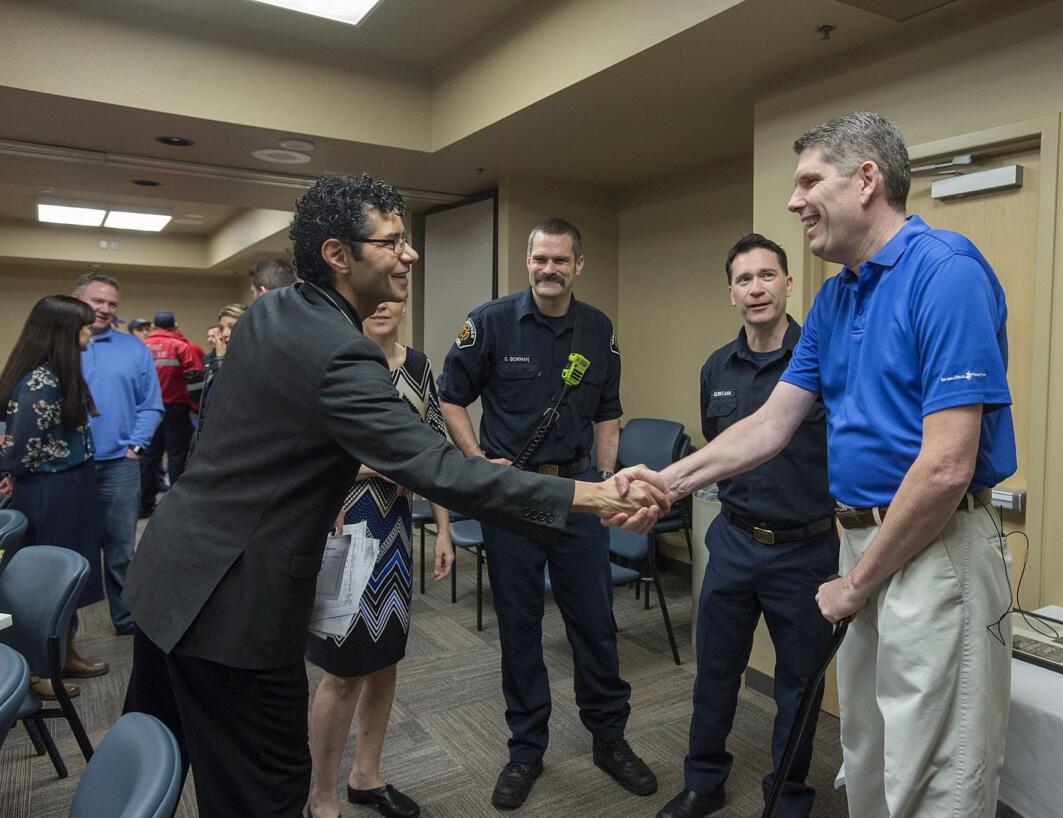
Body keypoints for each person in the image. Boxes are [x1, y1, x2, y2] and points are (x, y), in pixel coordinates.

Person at [121, 174, 664, 818]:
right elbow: (442, 469)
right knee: (260, 790)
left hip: (168, 577)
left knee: (145, 766)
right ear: (337, 255)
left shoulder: (271, 312)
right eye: (394, 241)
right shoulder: (341, 354)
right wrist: (592, 497)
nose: (410, 254)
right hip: (233, 604)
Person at [618, 112, 1016, 818]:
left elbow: (948, 465)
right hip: (863, 543)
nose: (795, 201)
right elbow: (771, 423)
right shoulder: (837, 297)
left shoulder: (945, 273)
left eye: (808, 181)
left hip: (935, 546)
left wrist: (856, 582)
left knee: (936, 772)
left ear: (867, 180)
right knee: (867, 752)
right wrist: (667, 481)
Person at [438, 217, 657, 812]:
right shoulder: (489, 323)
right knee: (520, 627)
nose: (549, 270)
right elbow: (450, 396)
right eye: (540, 260)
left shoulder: (598, 329)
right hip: (513, 501)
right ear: (527, 261)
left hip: (579, 498)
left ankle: (609, 741)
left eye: (561, 260)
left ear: (578, 265)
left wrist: (609, 475)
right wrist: (478, 460)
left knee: (594, 624)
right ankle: (525, 750)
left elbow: (608, 408)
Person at [655, 234, 839, 818]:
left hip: (805, 551)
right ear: (730, 292)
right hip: (733, 543)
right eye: (743, 279)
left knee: (798, 686)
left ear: (789, 284)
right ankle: (702, 783)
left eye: (767, 276)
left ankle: (787, 797)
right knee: (715, 673)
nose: (756, 288)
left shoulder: (824, 359)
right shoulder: (717, 368)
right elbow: (721, 447)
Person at [305, 299, 453, 818]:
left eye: (397, 295)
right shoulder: (336, 363)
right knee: (341, 671)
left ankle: (366, 776)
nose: (385, 305)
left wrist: (443, 528)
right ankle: (321, 796)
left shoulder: (416, 366)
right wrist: (378, 467)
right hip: (342, 525)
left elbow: (433, 450)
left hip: (394, 532)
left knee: (385, 660)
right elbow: (307, 452)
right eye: (376, 297)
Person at [0, 295, 109, 697]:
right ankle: (35, 668)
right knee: (46, 583)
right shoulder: (38, 382)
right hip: (49, 491)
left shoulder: (60, 372)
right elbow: (19, 450)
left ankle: (64, 652)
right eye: (83, 327)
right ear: (62, 332)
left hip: (72, 485)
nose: (89, 333)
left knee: (72, 574)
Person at [75, 273, 163, 635]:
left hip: (120, 465)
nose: (105, 309)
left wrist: (135, 446)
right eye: (98, 301)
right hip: (69, 467)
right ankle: (65, 637)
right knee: (73, 552)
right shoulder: (59, 345)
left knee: (121, 550)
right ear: (77, 300)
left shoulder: (133, 349)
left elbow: (151, 404)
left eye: (112, 304)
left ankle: (126, 621)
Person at [139, 310, 204, 516]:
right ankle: (174, 507)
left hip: (148, 410)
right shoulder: (181, 346)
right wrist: (196, 409)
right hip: (176, 408)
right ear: (174, 325)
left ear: (154, 326)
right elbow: (194, 378)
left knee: (149, 457)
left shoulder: (142, 347)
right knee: (177, 456)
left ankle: (144, 503)